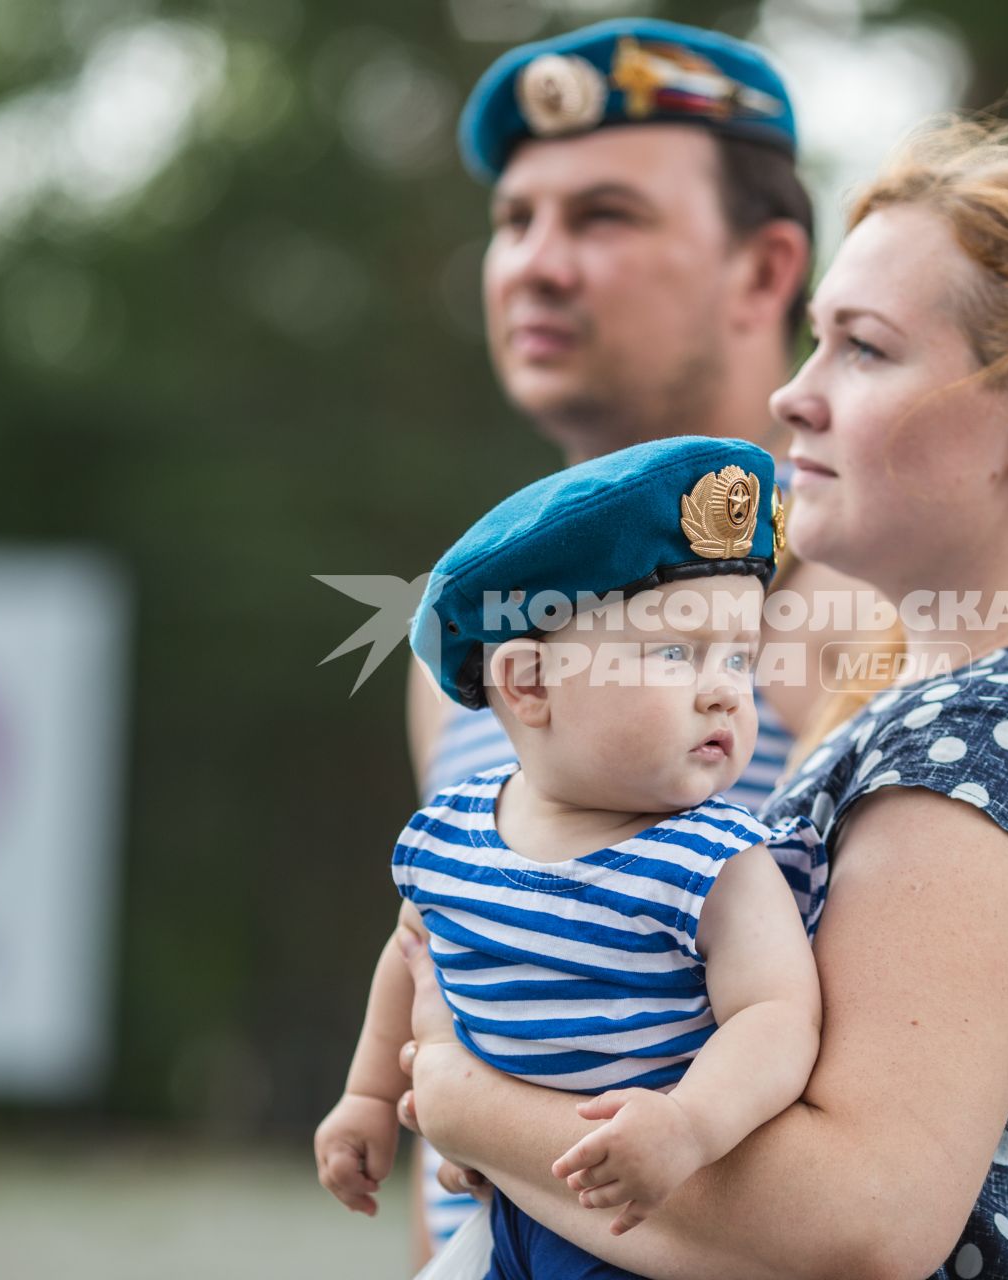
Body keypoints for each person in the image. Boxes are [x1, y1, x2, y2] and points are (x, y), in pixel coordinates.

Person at [389, 119, 1008, 1279]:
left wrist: (465, 1104)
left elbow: (855, 1219)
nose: (794, 397)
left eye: (863, 348)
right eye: (814, 342)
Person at [401, 16, 877, 1258]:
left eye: (604, 217)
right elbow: (450, 984)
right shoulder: (481, 630)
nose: (536, 265)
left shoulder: (866, 596)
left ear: (767, 272)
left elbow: (887, 1119)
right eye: (516, 221)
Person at [315, 437, 824, 1276]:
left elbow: (777, 1015)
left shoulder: (717, 858)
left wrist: (692, 1124)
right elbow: (410, 960)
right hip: (494, 1215)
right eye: (677, 652)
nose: (727, 687)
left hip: (646, 1228)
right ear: (528, 685)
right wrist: (368, 1098)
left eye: (739, 656)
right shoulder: (453, 833)